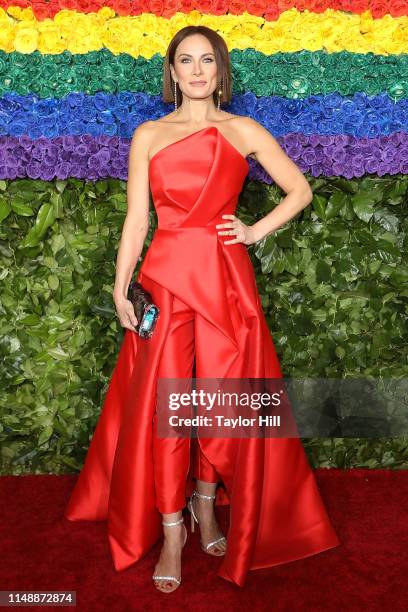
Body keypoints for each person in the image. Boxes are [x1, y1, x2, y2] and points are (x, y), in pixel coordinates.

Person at [64, 25, 340, 593]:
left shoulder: (242, 130)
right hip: (163, 284)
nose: (195, 71)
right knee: (167, 411)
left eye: (206, 60)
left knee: (218, 402)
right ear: (172, 71)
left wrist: (252, 230)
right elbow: (137, 220)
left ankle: (206, 508)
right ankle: (170, 530)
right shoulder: (149, 134)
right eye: (185, 61)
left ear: (221, 70)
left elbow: (300, 189)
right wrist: (120, 290)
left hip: (224, 281)